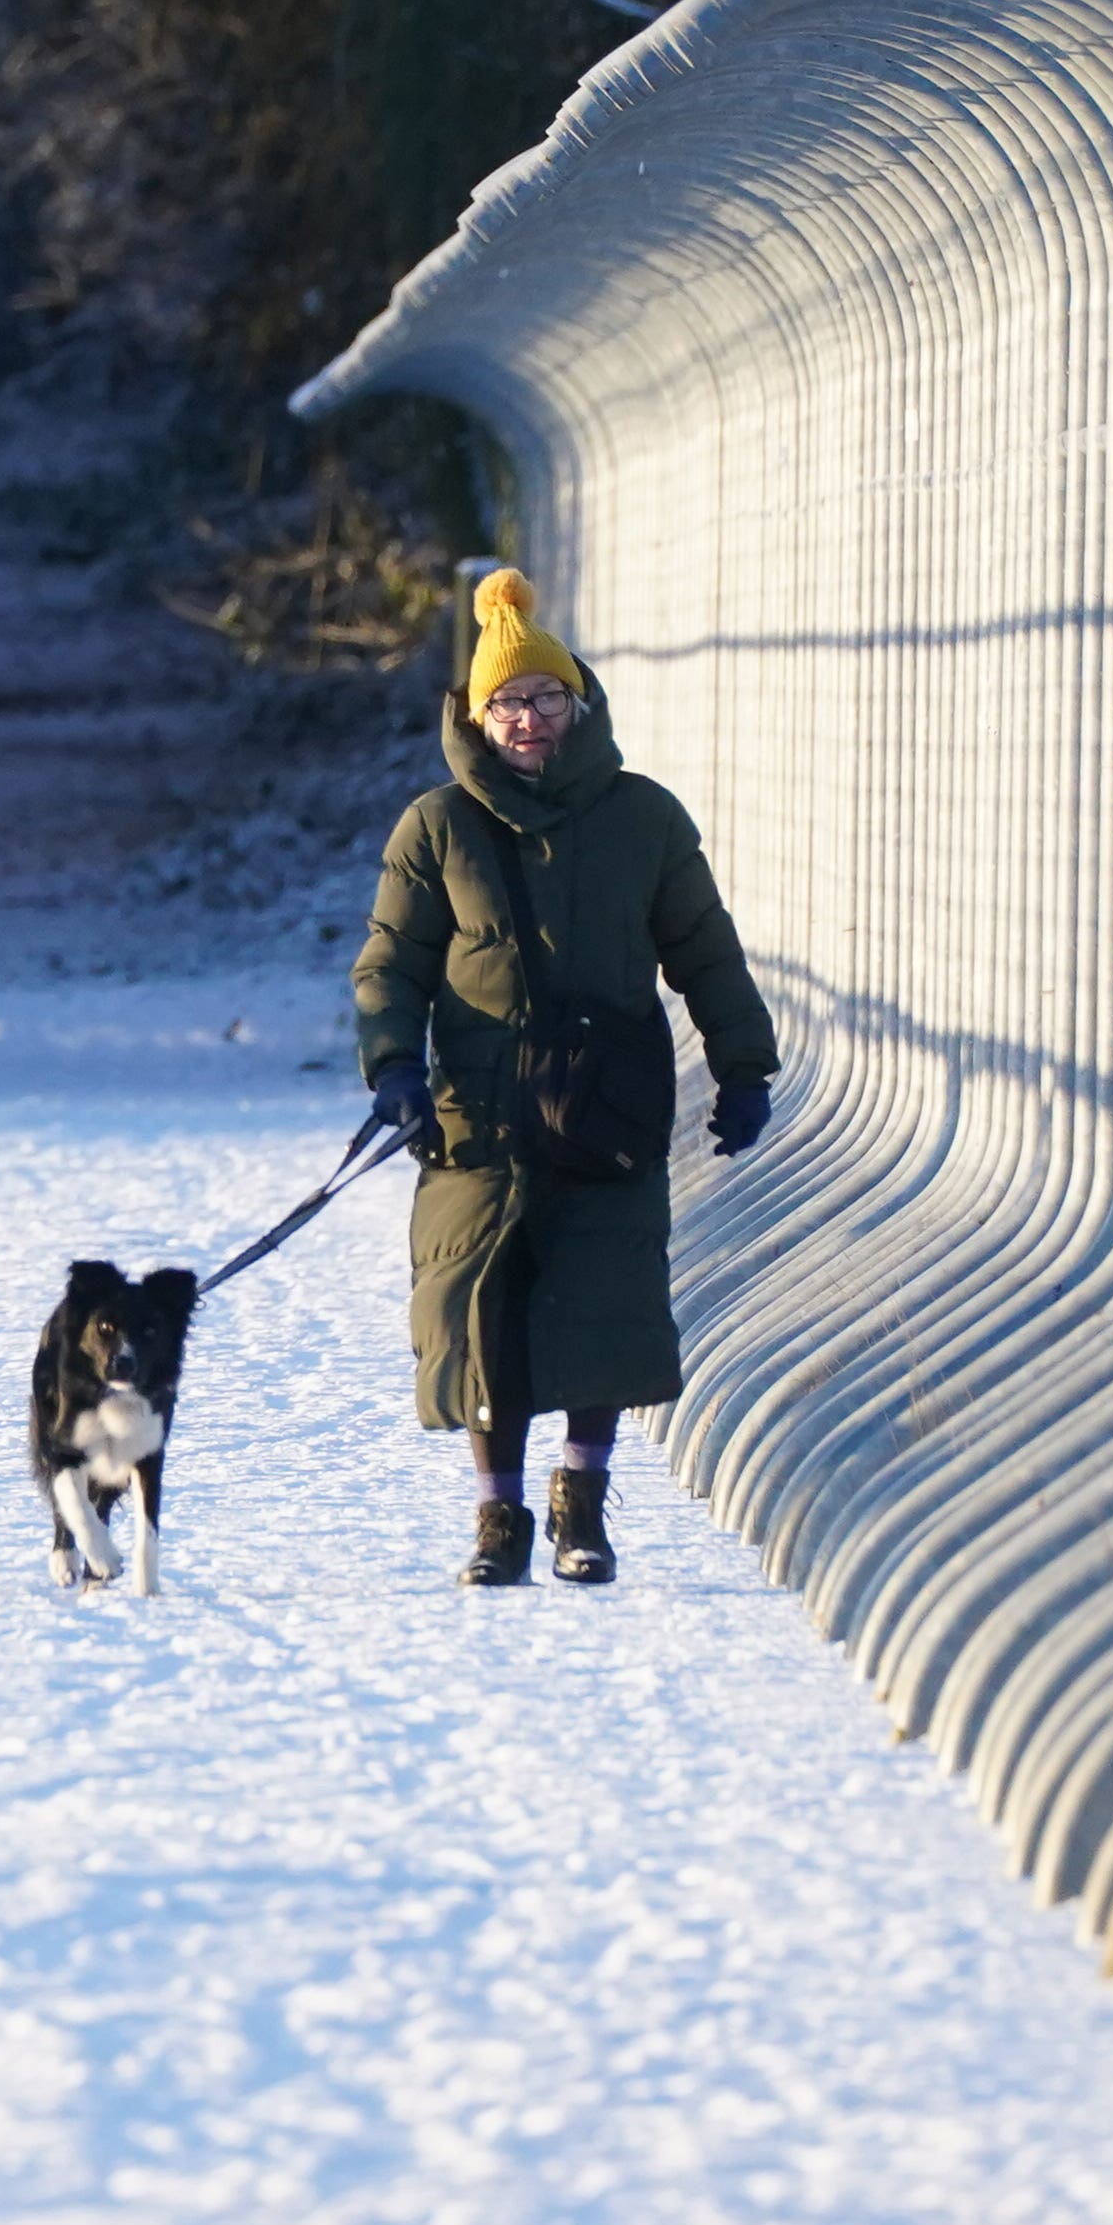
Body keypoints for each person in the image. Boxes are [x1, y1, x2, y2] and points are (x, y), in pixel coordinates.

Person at [350, 567, 783, 1587]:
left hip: (605, 1107)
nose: (529, 720)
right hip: (478, 1113)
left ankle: (579, 1507)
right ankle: (496, 1520)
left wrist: (742, 1064)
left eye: (547, 699)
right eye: (508, 702)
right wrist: (392, 1070)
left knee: (605, 1301)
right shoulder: (436, 827)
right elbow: (390, 963)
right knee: (480, 1312)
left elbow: (703, 950)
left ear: (579, 704)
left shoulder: (644, 819)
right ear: (476, 712)